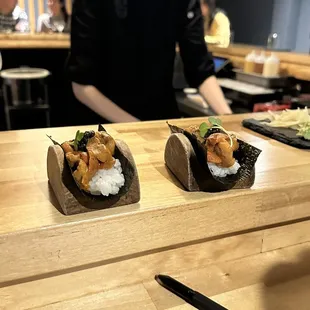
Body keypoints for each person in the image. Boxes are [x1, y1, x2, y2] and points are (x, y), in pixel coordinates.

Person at [67, 0, 232, 123]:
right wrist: (139, 128)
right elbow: (81, 85)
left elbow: (199, 67)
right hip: (105, 122)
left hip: (161, 118)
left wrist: (229, 119)